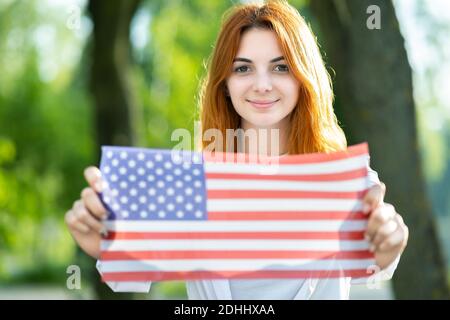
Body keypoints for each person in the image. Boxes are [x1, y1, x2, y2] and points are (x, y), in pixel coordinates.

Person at [65, 0, 408, 299]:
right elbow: (133, 271)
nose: (262, 84)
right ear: (225, 85)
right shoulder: (192, 181)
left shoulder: (343, 178)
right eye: (243, 68)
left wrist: (390, 240)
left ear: (304, 77)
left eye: (281, 67)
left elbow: (378, 262)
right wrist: (102, 240)